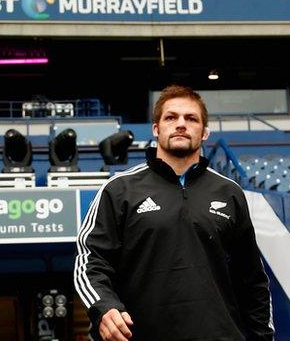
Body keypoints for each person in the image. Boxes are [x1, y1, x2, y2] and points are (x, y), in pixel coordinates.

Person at [74, 85, 274, 341]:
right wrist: (103, 306)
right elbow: (91, 261)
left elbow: (253, 282)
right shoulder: (118, 190)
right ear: (156, 129)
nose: (181, 124)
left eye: (191, 118)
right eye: (171, 117)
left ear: (204, 133)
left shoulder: (230, 193)